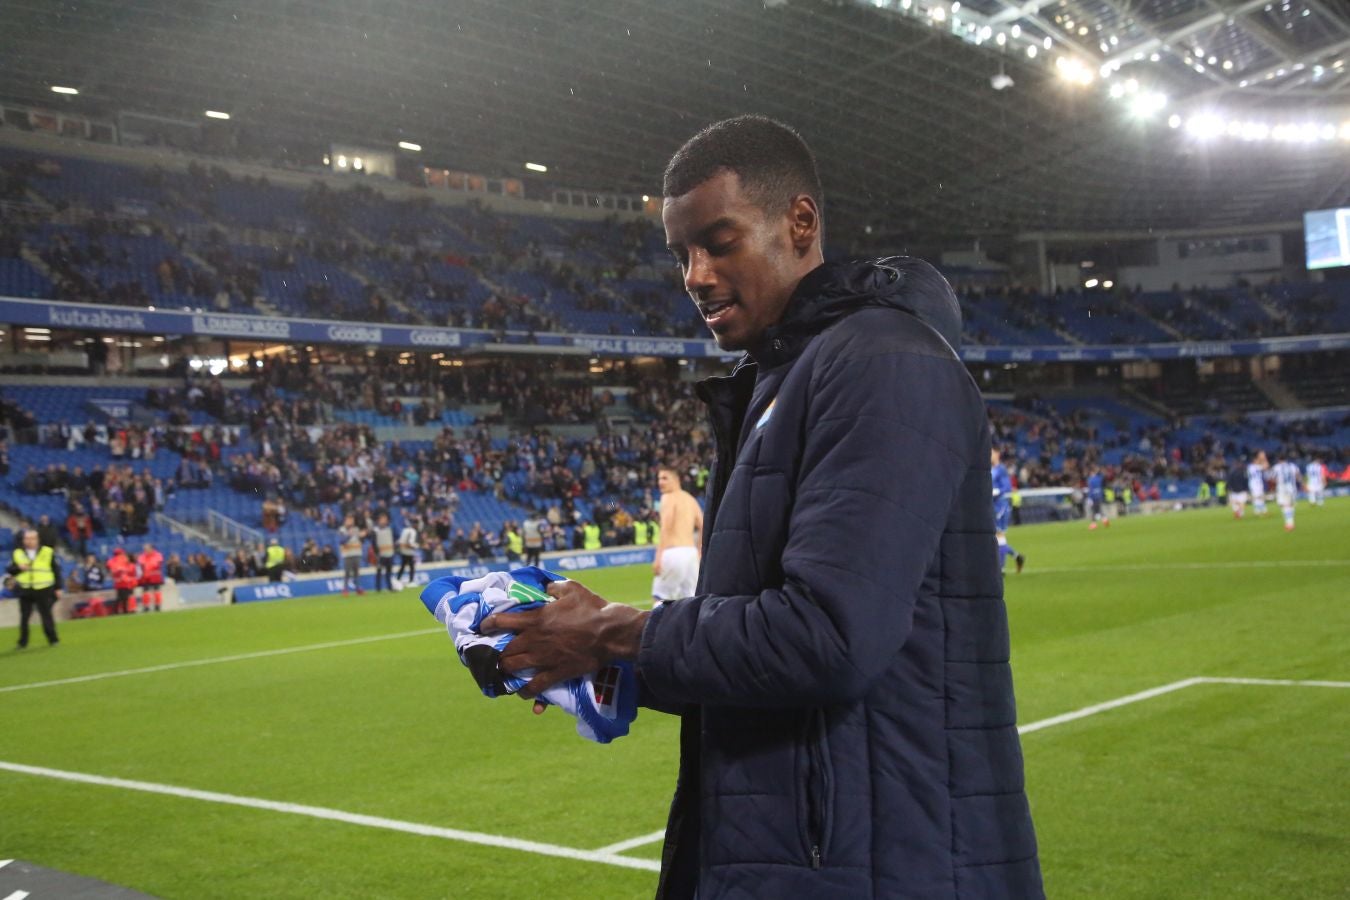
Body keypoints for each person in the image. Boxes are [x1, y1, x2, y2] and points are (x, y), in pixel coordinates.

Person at [482, 116, 1041, 897]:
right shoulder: (783, 379)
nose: (696, 276)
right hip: (806, 846)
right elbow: (758, 647)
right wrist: (600, 657)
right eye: (681, 254)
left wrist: (616, 630)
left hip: (884, 859)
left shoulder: (881, 361)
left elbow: (828, 636)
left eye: (719, 241)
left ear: (800, 223)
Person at [651, 466, 702, 604]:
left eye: (665, 478)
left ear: (676, 480)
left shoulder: (667, 497)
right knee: (691, 600)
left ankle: (659, 626)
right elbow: (704, 525)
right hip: (691, 555)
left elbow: (665, 527)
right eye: (659, 479)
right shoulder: (690, 499)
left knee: (660, 599)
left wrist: (658, 557)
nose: (660, 482)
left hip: (673, 553)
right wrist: (699, 550)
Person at [11, 529, 60, 648]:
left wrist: (58, 587)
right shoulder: (18, 553)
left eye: (32, 538)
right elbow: (11, 570)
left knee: (46, 614)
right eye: (26, 539)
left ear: (37, 539)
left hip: (43, 587)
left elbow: (56, 570)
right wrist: (18, 568)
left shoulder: (47, 551)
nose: (29, 541)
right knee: (24, 616)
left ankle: (52, 639)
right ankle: (23, 641)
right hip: (25, 588)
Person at [991, 448, 1025, 573]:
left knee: (998, 535)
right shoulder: (990, 469)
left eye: (991, 453)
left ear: (997, 454)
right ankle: (1015, 557)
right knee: (997, 537)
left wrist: (996, 491)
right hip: (993, 505)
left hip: (1001, 505)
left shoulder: (1001, 469)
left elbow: (1007, 487)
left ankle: (1001, 568)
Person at [1270, 454, 1302, 532]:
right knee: (1290, 505)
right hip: (1292, 488)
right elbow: (1298, 477)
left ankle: (1289, 524)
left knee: (1284, 505)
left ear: (1278, 459)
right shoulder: (1293, 466)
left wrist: (1274, 485)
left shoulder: (1276, 467)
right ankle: (1290, 522)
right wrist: (1301, 484)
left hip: (1282, 489)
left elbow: (1272, 478)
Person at [107, 546, 139, 615]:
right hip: (123, 583)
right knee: (122, 598)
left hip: (125, 583)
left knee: (124, 598)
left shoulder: (114, 561)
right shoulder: (119, 562)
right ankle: (121, 610)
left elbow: (132, 574)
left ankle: (127, 610)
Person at [339, 515, 364, 596]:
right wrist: (348, 535)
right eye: (349, 520)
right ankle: (345, 589)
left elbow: (360, 540)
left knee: (356, 572)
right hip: (347, 554)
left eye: (352, 520)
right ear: (345, 521)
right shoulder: (342, 530)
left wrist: (363, 536)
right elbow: (342, 541)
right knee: (347, 573)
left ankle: (358, 588)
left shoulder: (356, 529)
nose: (351, 522)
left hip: (357, 553)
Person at [136, 542, 165, 612]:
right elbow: (140, 565)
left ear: (151, 548)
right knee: (145, 591)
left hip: (155, 575)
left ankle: (157, 606)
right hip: (145, 576)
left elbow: (158, 564)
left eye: (147, 549)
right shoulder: (142, 556)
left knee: (156, 590)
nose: (146, 550)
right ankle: (146, 607)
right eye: (145, 549)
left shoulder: (158, 555)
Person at [372, 513, 396, 592]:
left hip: (390, 553)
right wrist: (377, 553)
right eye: (382, 519)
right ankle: (378, 588)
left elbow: (392, 540)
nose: (384, 521)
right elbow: (374, 543)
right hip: (381, 555)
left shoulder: (389, 529)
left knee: (389, 572)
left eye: (385, 519)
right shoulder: (375, 530)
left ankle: (389, 587)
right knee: (379, 571)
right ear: (378, 521)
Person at [397, 516, 419, 584]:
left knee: (403, 566)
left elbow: (399, 541)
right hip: (409, 552)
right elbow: (410, 543)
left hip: (403, 551)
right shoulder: (413, 531)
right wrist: (416, 546)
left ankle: (398, 579)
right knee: (412, 567)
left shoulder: (405, 530)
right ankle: (411, 581)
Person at [1086, 466, 1109, 530]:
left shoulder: (1090, 480)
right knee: (1098, 509)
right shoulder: (1099, 478)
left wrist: (1089, 498)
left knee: (1094, 510)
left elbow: (1091, 489)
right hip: (1099, 495)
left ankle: (1094, 524)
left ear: (1091, 473)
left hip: (1094, 497)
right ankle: (1105, 520)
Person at [1247, 450, 1269, 517]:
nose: (1258, 461)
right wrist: (1264, 458)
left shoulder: (1251, 466)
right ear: (1254, 460)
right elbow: (1266, 466)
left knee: (1259, 497)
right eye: (1257, 460)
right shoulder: (1253, 467)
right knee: (1258, 497)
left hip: (1256, 483)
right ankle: (1259, 511)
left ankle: (1259, 511)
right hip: (1255, 484)